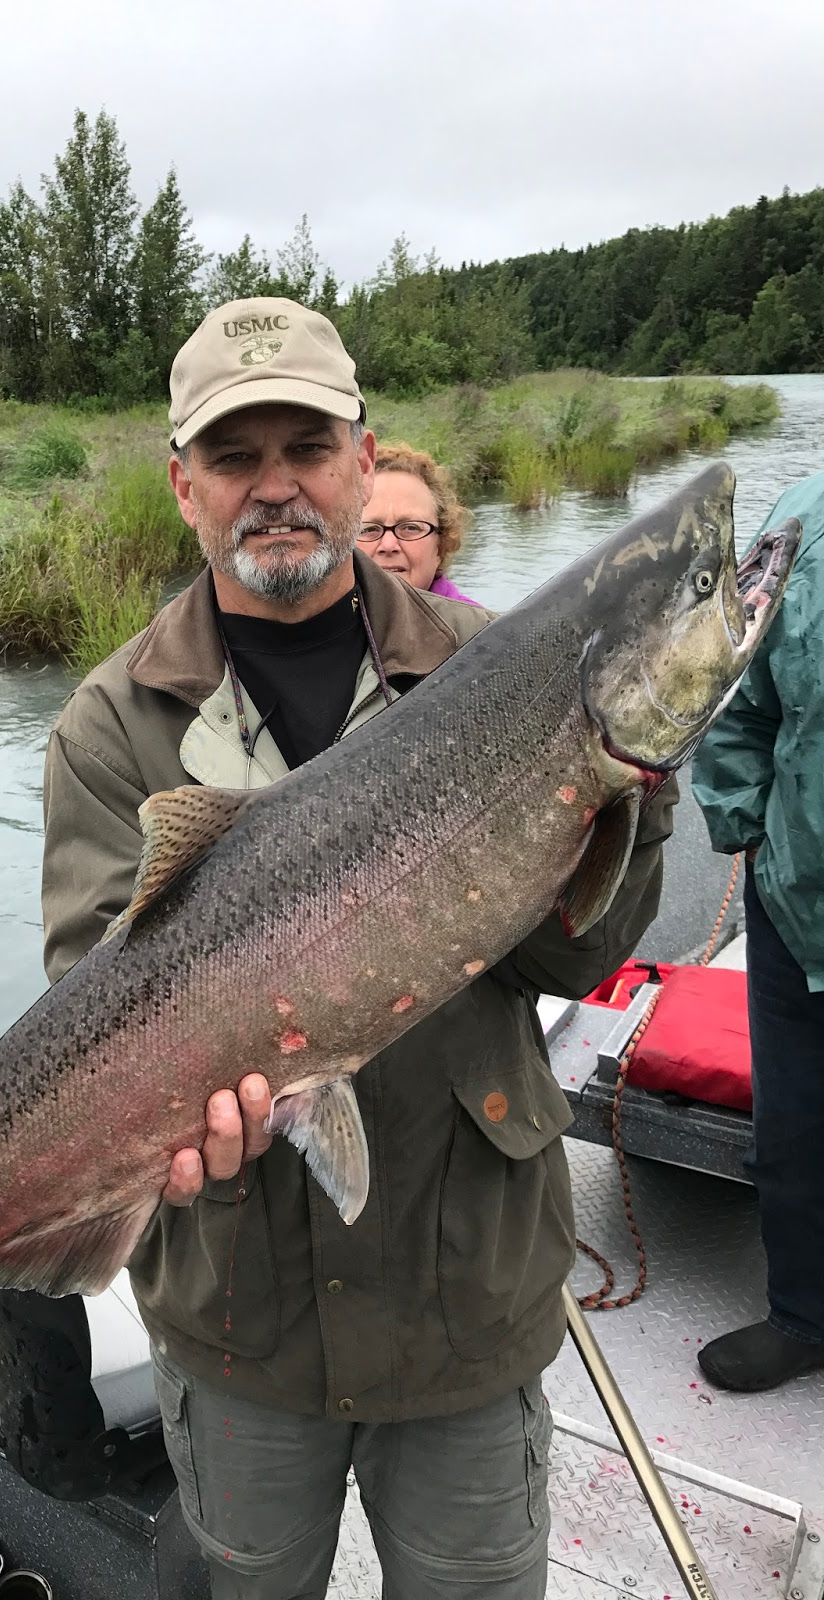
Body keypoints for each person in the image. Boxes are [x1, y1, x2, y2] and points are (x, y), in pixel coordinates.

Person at [41, 296, 676, 1600]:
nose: (274, 487)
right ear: (183, 486)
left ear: (360, 455)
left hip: (465, 1290)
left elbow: (570, 966)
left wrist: (638, 792)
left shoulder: (499, 667)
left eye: (308, 448)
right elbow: (85, 993)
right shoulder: (109, 727)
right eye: (234, 456)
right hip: (237, 1315)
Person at [692, 472, 824, 1393]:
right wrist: (745, 827)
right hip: (797, 903)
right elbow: (735, 693)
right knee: (794, 1129)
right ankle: (803, 1313)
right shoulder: (798, 521)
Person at [359, 440, 479, 602]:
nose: (388, 546)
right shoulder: (318, 622)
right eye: (369, 529)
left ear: (440, 546)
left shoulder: (479, 626)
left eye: (410, 528)